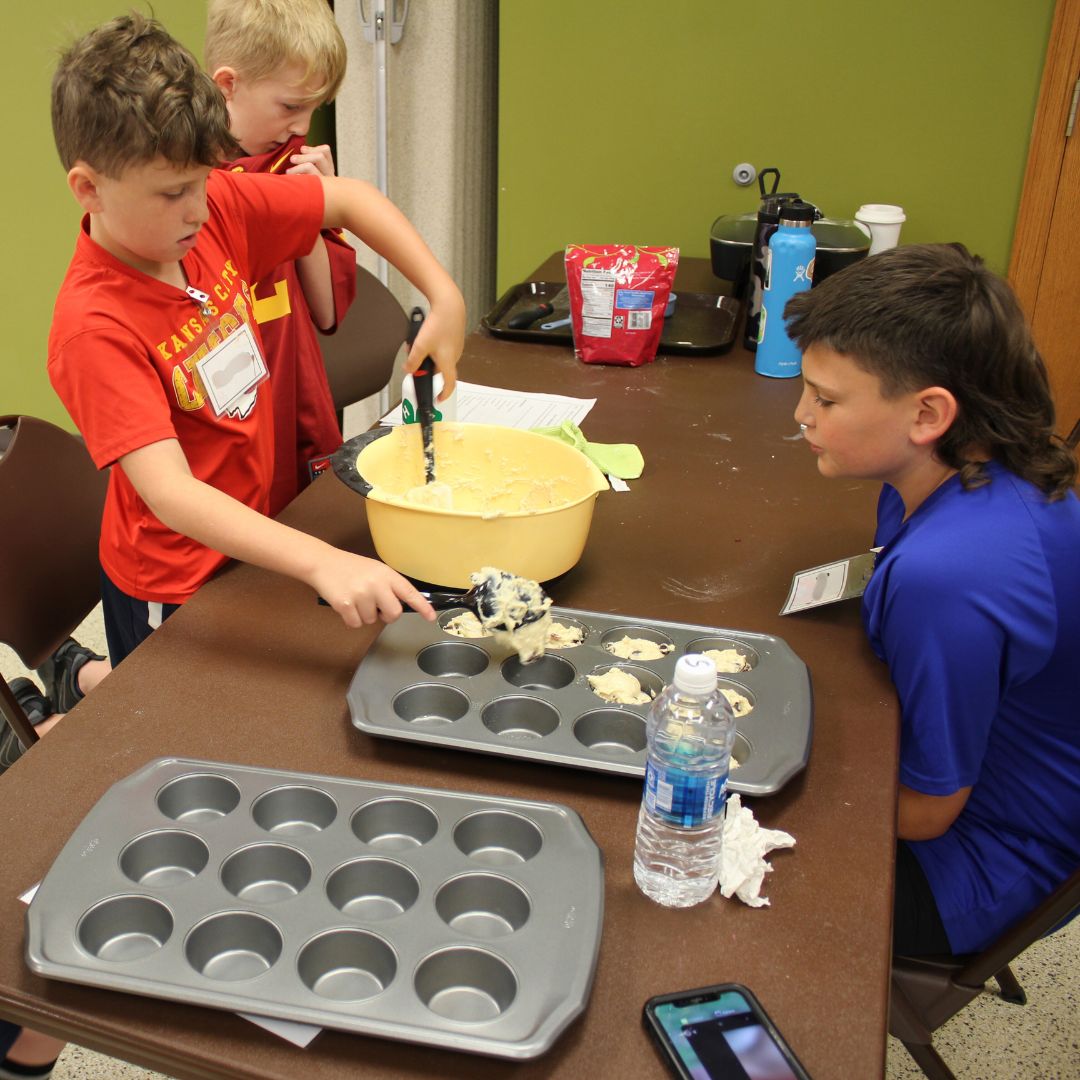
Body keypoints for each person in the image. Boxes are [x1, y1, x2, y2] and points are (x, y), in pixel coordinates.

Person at [47, 13, 464, 668]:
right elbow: (172, 494)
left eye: (205, 180)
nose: (198, 208)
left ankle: (82, 682)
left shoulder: (217, 211)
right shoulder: (92, 328)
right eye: (174, 192)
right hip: (177, 583)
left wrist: (445, 295)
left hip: (261, 539)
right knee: (182, 735)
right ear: (88, 189)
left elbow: (349, 200)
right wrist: (320, 562)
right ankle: (82, 680)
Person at [784, 243, 1080, 957]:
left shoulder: (948, 578)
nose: (800, 414)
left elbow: (925, 812)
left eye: (825, 399)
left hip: (984, 857)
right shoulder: (976, 464)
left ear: (927, 415)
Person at [205, 0, 356, 516]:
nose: (301, 128)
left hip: (292, 398)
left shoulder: (287, 162)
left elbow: (328, 312)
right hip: (230, 419)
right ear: (228, 85)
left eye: (314, 108)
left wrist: (311, 210)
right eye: (290, 107)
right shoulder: (183, 187)